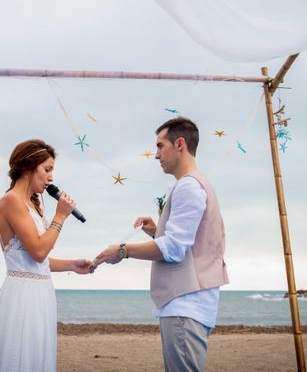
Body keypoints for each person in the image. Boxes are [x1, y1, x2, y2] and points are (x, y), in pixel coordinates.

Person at [95, 117, 229, 372]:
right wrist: (157, 232)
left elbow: (175, 249)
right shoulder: (197, 183)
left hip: (184, 305)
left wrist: (122, 251)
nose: (156, 155)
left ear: (179, 144)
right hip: (192, 304)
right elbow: (190, 243)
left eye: (160, 146)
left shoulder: (189, 186)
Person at [0, 139, 93, 372]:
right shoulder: (10, 201)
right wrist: (60, 216)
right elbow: (38, 252)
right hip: (22, 297)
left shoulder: (32, 205)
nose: (51, 178)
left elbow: (35, 261)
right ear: (29, 167)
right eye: (47, 170)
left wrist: (71, 265)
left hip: (41, 293)